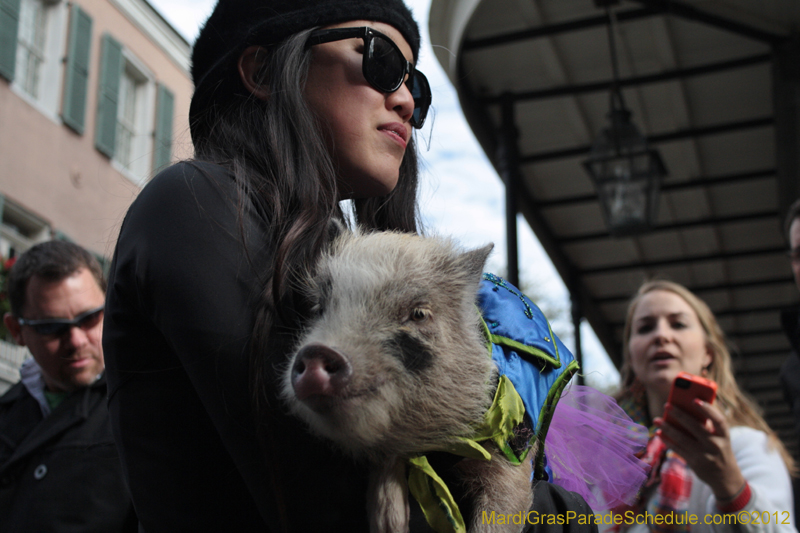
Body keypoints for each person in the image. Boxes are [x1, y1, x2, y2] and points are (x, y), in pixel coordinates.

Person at [102, 1, 607, 531]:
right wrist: (561, 514)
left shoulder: (325, 241)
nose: (407, 100)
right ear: (263, 71)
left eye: (418, 85)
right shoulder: (196, 201)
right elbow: (335, 497)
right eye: (381, 60)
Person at [610, 280, 795, 533]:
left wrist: (730, 485)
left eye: (678, 324)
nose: (661, 335)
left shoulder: (747, 446)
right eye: (645, 328)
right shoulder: (608, 465)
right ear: (631, 357)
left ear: (708, 353)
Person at [0, 241, 136, 532]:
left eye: (89, 318)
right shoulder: (7, 412)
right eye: (52, 327)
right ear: (16, 331)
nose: (75, 341)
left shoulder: (143, 410)